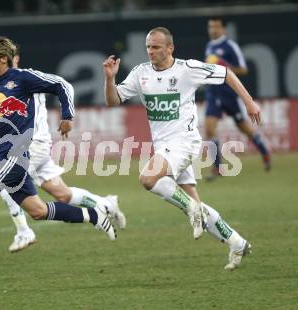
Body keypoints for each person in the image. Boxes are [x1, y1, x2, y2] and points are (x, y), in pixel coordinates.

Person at [0, 36, 118, 273]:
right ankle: (93, 215)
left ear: (3, 59)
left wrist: (67, 117)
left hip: (15, 157)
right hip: (1, 157)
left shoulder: (22, 79)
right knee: (39, 212)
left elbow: (61, 86)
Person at [103, 27, 257, 270]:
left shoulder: (188, 69)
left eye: (156, 47)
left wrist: (249, 103)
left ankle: (193, 208)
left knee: (147, 178)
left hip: (184, 143)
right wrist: (110, 79)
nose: (150, 51)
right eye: (148, 47)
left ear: (170, 48)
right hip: (164, 147)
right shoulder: (140, 74)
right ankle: (237, 243)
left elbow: (227, 73)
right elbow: (113, 100)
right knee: (197, 209)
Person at [1, 45, 126, 253]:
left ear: (15, 59)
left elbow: (63, 85)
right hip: (23, 148)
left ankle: (24, 232)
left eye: (7, 58)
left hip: (35, 146)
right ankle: (106, 204)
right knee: (63, 194)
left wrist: (67, 115)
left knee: (7, 183)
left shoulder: (30, 78)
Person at [204, 16, 271, 180]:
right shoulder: (209, 46)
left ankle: (264, 151)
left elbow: (243, 69)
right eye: (210, 27)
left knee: (244, 128)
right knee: (209, 128)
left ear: (223, 29)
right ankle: (217, 168)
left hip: (229, 95)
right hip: (213, 93)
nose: (212, 30)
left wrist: (222, 63)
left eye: (216, 27)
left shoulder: (230, 46)